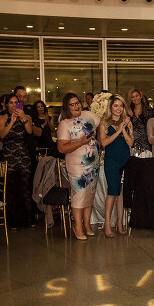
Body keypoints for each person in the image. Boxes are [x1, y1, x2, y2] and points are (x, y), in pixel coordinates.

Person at [56, 93, 104, 240]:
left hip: (92, 161)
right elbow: (61, 148)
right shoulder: (65, 124)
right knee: (79, 194)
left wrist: (100, 140)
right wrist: (81, 143)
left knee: (90, 194)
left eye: (77, 102)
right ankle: (77, 226)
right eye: (72, 104)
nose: (76, 106)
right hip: (76, 164)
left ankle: (87, 224)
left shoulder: (88, 114)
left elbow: (101, 123)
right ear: (67, 107)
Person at [0, 94, 35, 230]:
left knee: (25, 188)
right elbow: (1, 135)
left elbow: (29, 131)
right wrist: (12, 121)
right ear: (6, 105)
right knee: (11, 190)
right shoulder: (2, 118)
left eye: (16, 102)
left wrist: (23, 117)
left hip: (24, 156)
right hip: (9, 156)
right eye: (11, 103)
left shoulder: (27, 117)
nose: (13, 105)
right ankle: (13, 221)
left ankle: (28, 219)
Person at [99, 94, 134, 237]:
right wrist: (118, 130)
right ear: (110, 107)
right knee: (112, 191)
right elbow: (103, 143)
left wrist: (124, 129)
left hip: (125, 159)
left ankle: (119, 223)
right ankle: (107, 224)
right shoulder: (104, 123)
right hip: (111, 160)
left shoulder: (127, 122)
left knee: (121, 193)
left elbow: (131, 143)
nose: (119, 109)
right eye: (116, 105)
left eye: (121, 106)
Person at [126, 88, 154, 157]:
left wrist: (133, 116)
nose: (135, 98)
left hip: (147, 144)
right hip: (134, 144)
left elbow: (149, 128)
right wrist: (129, 116)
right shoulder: (129, 111)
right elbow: (128, 128)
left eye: (137, 96)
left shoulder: (149, 111)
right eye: (132, 97)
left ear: (141, 96)